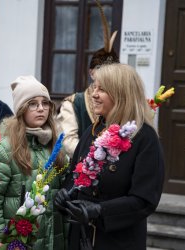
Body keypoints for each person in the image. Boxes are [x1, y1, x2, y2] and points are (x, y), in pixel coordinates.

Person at [55, 63, 165, 250]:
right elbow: (75, 175)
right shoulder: (92, 131)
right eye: (94, 88)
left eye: (102, 89)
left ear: (122, 95)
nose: (94, 94)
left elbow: (144, 200)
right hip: (81, 238)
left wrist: (100, 211)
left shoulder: (144, 138)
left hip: (117, 241)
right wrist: (65, 195)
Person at [0, 75, 67, 250]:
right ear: (21, 109)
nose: (41, 108)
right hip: (17, 244)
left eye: (45, 103)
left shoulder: (55, 145)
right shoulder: (4, 149)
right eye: (33, 104)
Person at [56, 1, 119, 158]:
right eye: (101, 71)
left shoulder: (124, 102)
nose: (106, 77)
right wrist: (98, 155)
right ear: (91, 73)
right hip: (83, 168)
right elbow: (68, 141)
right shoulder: (73, 103)